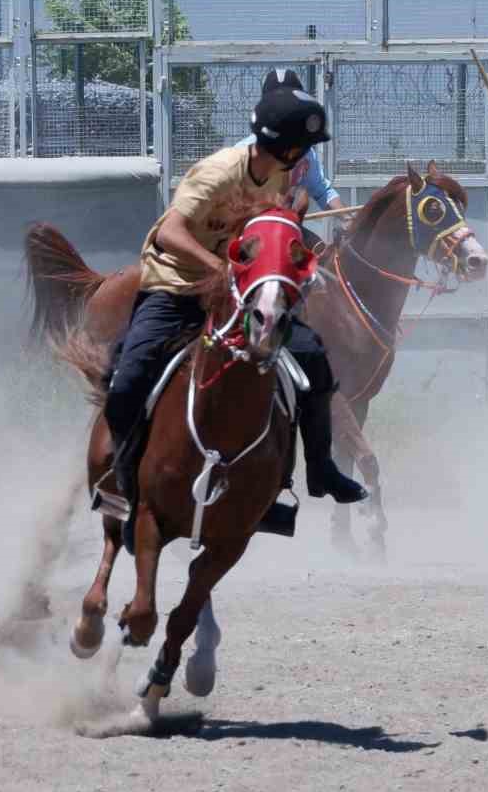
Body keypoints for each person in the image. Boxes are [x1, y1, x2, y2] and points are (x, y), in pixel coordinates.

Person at [105, 70, 366, 540]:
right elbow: (169, 232)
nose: (306, 155)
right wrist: (216, 267)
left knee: (313, 364)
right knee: (127, 381)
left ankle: (317, 470)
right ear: (284, 145)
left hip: (237, 292)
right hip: (178, 286)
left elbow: (273, 227)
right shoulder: (218, 171)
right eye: (302, 147)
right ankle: (125, 488)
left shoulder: (282, 176)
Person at [232, 69, 348, 237]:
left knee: (321, 255)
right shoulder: (243, 153)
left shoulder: (305, 154)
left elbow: (322, 191)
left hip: (286, 229)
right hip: (247, 232)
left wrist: (347, 218)